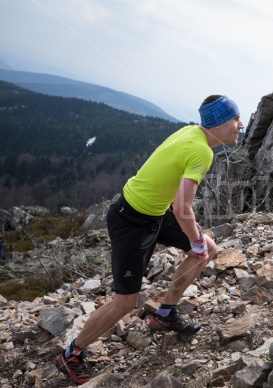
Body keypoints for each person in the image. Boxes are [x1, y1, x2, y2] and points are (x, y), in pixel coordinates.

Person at [55, 95, 244, 384]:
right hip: (131, 221)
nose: (240, 125)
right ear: (219, 123)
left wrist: (197, 242)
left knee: (209, 248)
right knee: (125, 303)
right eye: (235, 119)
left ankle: (164, 313)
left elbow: (176, 203)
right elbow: (182, 209)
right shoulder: (202, 152)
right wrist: (194, 240)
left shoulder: (193, 132)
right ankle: (72, 353)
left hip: (152, 213)